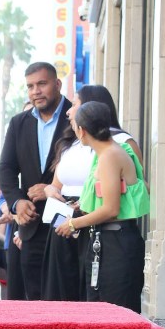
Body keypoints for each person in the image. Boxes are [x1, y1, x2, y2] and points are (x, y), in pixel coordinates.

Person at [41, 83, 142, 302]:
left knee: (111, 314)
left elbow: (111, 208)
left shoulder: (110, 154)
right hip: (102, 236)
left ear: (83, 129)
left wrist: (73, 223)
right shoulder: (103, 153)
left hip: (114, 239)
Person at [0, 62, 71, 300]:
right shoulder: (19, 123)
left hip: (70, 223)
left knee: (67, 297)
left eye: (42, 83)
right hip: (32, 224)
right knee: (34, 298)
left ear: (57, 84)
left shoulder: (75, 116)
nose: (35, 91)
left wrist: (53, 189)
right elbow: (6, 168)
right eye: (30, 86)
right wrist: (17, 202)